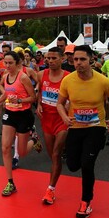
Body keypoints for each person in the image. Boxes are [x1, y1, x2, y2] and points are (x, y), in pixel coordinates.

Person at [56, 45, 109, 218]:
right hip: (75, 128)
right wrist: (64, 116)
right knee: (72, 165)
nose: (78, 63)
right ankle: (85, 194)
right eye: (76, 59)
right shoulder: (68, 80)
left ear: (91, 60)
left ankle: (86, 202)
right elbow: (60, 103)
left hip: (96, 128)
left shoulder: (103, 81)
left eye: (82, 59)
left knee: (87, 165)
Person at [0, 51, 38, 197]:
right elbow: (7, 94)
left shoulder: (23, 77)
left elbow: (33, 97)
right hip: (10, 114)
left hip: (24, 115)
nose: (7, 66)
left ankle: (34, 139)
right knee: (5, 148)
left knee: (21, 152)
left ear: (17, 63)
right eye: (5, 63)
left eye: (10, 63)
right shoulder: (5, 76)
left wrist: (20, 101)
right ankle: (10, 182)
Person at [36, 47, 70, 204]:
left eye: (53, 58)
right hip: (46, 119)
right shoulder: (41, 74)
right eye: (48, 58)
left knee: (56, 154)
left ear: (62, 59)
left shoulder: (68, 77)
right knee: (52, 156)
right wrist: (38, 105)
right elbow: (40, 92)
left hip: (62, 119)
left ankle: (50, 190)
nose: (49, 61)